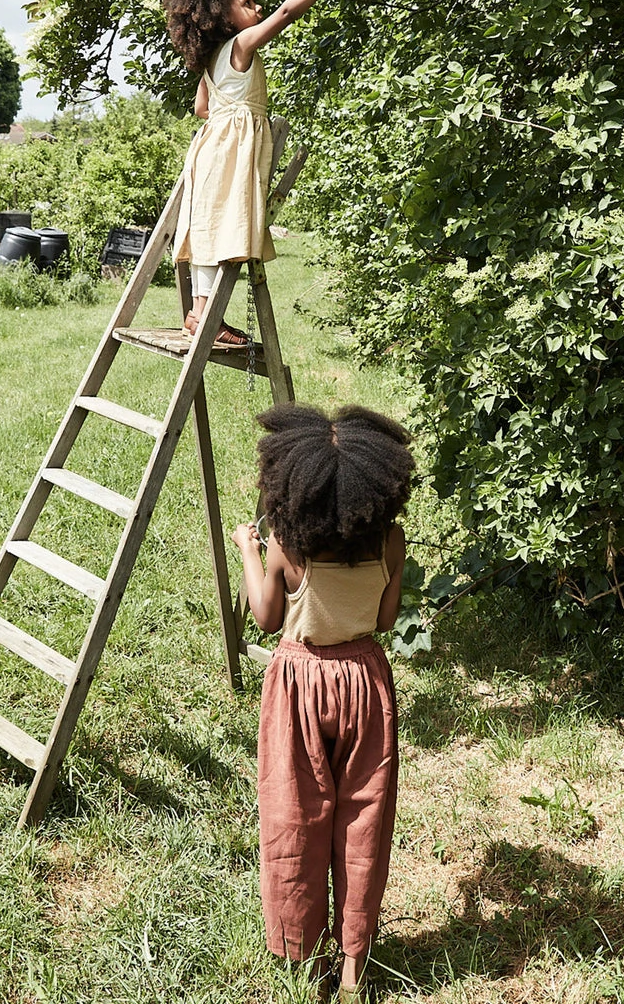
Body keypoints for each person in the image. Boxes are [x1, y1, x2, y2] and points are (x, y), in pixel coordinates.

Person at [231, 403, 413, 1001]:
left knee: (294, 815)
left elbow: (264, 617)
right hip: (366, 682)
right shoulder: (390, 540)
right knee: (364, 821)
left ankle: (301, 956)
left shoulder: (286, 543)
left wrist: (246, 550)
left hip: (299, 686)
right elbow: (386, 620)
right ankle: (356, 964)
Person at [164, 0, 368, 346]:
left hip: (211, 150)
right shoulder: (241, 45)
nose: (257, 7)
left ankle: (200, 310)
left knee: (212, 226)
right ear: (224, 18)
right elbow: (288, 12)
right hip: (229, 153)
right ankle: (205, 312)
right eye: (247, 1)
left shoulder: (212, 60)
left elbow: (201, 109)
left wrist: (229, 118)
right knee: (228, 225)